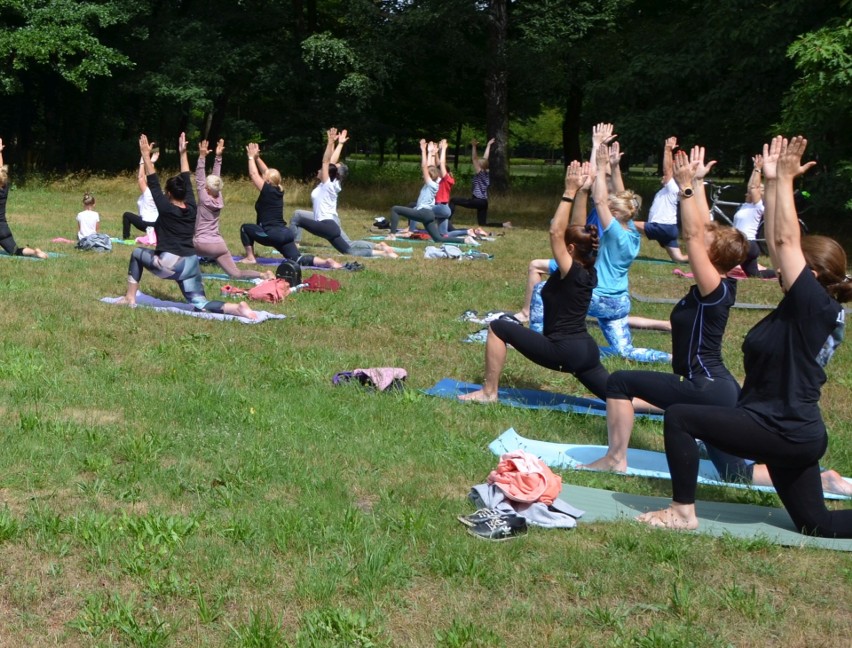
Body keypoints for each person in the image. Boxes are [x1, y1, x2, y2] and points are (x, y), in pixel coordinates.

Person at [638, 136, 852, 537]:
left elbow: (786, 241)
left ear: (814, 276)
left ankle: (681, 512)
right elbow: (775, 242)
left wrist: (786, 181)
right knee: (815, 523)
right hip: (790, 429)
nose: (778, 263)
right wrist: (770, 182)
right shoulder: (803, 307)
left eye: (795, 263)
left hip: (782, 428)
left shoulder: (814, 307)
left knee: (680, 417)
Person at [580, 145, 749, 473]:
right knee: (735, 473)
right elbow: (704, 229)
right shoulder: (720, 283)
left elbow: (693, 235)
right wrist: (697, 183)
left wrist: (685, 189)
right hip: (716, 389)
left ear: (713, 257)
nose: (702, 243)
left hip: (706, 387)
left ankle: (615, 459)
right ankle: (824, 480)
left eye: (707, 247)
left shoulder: (713, 288)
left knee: (619, 382)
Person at [459, 160, 609, 403]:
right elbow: (577, 228)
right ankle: (669, 406)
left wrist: (569, 192)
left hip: (563, 351)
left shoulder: (570, 270)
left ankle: (488, 393)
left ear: (570, 249)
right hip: (586, 351)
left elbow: (556, 232)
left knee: (498, 328)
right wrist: (583, 191)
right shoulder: (587, 267)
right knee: (621, 398)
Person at [115, 133, 256, 320]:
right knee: (200, 303)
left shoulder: (165, 207)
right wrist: (183, 153)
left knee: (136, 254)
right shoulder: (191, 205)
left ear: (168, 193)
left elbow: (152, 180)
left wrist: (145, 155)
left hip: (170, 263)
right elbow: (187, 179)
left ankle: (129, 297)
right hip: (190, 262)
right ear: (183, 192)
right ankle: (237, 308)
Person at [572, 140, 672, 363]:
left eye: (610, 206)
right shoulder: (634, 234)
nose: (605, 206)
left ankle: (543, 337)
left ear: (616, 213)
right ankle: (670, 358)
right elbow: (624, 198)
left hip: (597, 297)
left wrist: (600, 165)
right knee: (625, 351)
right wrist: (615, 167)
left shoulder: (615, 231)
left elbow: (598, 199)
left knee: (545, 292)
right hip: (620, 302)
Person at [290, 128, 398, 259]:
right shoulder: (328, 182)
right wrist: (340, 144)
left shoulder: (329, 184)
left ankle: (294, 247)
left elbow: (326, 162)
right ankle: (381, 250)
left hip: (329, 222)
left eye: (336, 166)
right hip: (322, 219)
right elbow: (330, 162)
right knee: (348, 249)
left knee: (298, 216)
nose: (320, 170)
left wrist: (330, 142)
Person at [239, 142, 341, 268]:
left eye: (264, 177)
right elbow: (267, 172)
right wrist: (257, 158)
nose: (262, 176)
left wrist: (250, 157)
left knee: (245, 228)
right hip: (286, 234)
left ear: (268, 181)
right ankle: (326, 262)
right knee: (297, 259)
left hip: (272, 234)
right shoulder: (279, 189)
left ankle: (250, 257)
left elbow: (253, 174)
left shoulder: (267, 190)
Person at [193, 138, 273, 281]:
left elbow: (199, 177)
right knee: (235, 274)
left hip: (200, 243)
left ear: (206, 188)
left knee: (177, 242)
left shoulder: (204, 198)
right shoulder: (219, 197)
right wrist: (218, 157)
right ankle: (263, 275)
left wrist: (202, 156)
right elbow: (216, 179)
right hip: (218, 245)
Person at [388, 140, 476, 244]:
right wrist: (432, 153)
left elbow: (425, 166)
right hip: (429, 214)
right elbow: (432, 167)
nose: (422, 176)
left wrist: (423, 150)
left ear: (429, 176)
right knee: (438, 238)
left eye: (424, 175)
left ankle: (392, 235)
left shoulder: (430, 183)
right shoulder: (436, 181)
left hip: (423, 212)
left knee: (395, 209)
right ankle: (465, 240)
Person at [635, 137, 689, 263]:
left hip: (661, 227)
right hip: (669, 229)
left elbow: (668, 169)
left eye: (666, 176)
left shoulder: (673, 187)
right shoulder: (668, 189)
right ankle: (705, 258)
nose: (663, 176)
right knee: (679, 258)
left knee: (625, 224)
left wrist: (667, 150)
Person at [0, 138, 48, 259]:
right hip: (2, 228)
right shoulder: (5, 187)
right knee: (15, 250)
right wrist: (0, 152)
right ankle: (34, 252)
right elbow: (1, 170)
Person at [449, 138, 510, 229]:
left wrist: (474, 146)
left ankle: (446, 221)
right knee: (482, 224)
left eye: (478, 163)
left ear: (480, 166)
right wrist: (488, 145)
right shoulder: (486, 172)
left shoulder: (480, 172)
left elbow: (474, 158)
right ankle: (504, 225)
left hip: (477, 200)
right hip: (484, 202)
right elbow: (485, 158)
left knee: (453, 200)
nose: (477, 164)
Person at [732, 154, 776, 278]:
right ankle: (780, 273)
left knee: (720, 261)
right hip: (745, 244)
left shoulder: (758, 206)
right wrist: (754, 168)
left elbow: (753, 187)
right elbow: (751, 186)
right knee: (755, 274)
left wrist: (758, 169)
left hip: (746, 244)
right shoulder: (747, 205)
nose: (749, 190)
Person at [122, 147, 160, 243]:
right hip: (157, 225)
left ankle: (126, 237)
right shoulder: (159, 192)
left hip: (146, 224)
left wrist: (143, 158)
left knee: (126, 215)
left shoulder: (147, 192)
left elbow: (140, 177)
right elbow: (150, 175)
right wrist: (152, 162)